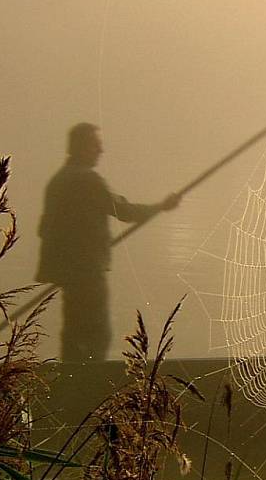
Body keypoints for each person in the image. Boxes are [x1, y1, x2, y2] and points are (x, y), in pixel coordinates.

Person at [36, 122, 180, 362]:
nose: (101, 151)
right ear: (81, 147)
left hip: (68, 273)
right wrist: (161, 207)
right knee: (97, 334)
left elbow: (44, 228)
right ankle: (90, 386)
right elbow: (123, 211)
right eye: (96, 146)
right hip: (87, 273)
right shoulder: (88, 180)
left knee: (73, 333)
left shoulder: (58, 181)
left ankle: (70, 382)